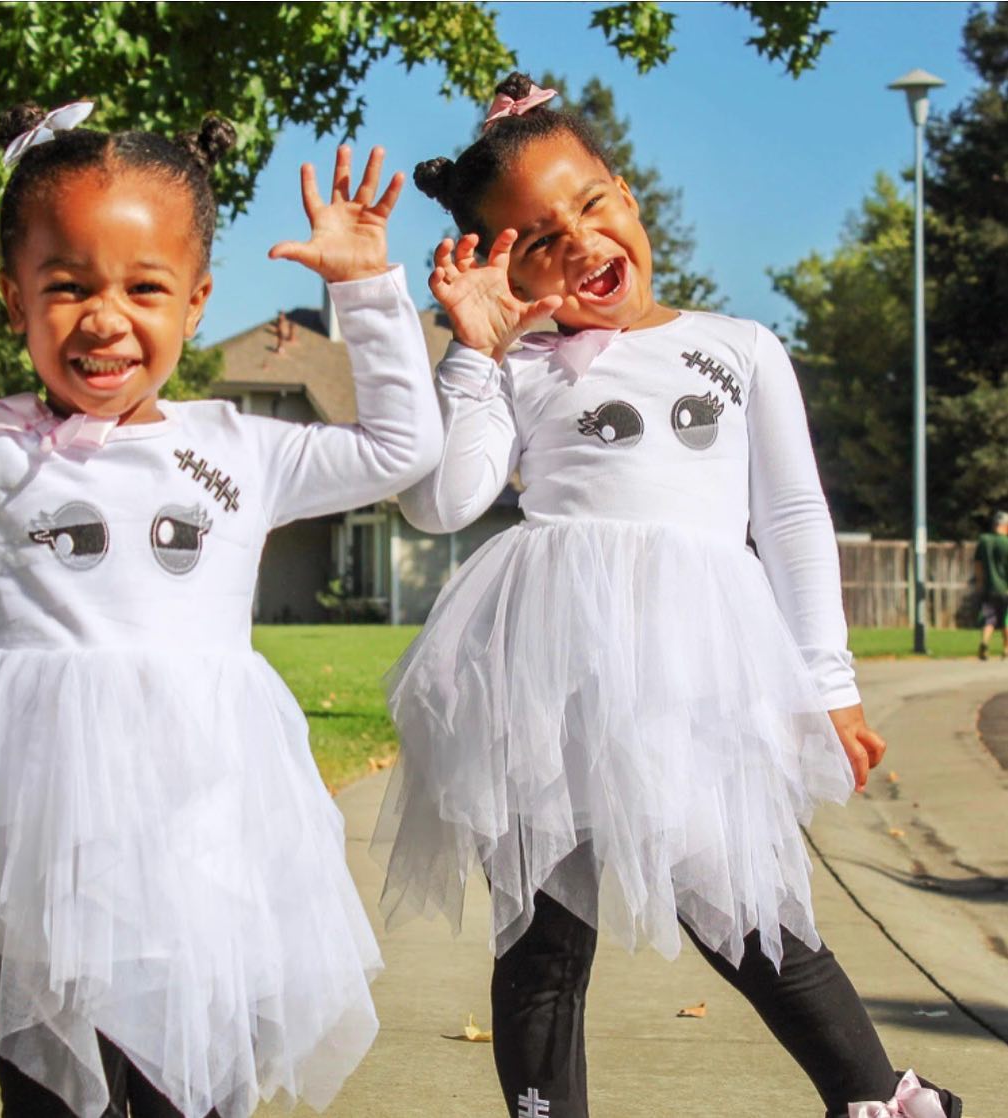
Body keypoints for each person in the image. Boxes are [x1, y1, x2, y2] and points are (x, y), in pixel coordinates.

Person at [0, 101, 441, 1118]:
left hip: (203, 836)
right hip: (27, 840)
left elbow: (401, 450)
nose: (104, 317)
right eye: (66, 285)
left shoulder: (239, 448)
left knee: (193, 1088)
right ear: (13, 299)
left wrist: (364, 289)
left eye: (145, 288)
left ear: (195, 300)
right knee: (48, 1095)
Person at [371, 74, 962, 1118]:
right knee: (543, 935)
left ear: (629, 196)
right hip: (545, 681)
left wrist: (827, 682)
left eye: (589, 207)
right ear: (507, 271)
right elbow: (446, 499)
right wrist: (473, 350)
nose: (578, 244)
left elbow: (788, 520)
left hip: (694, 674)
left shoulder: (739, 348)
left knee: (744, 902)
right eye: (537, 242)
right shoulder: (519, 368)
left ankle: (879, 1098)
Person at [974, 510, 1008, 660]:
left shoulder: (984, 540)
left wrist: (980, 584)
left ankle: (984, 643)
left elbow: (978, 565)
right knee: (1007, 618)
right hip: (1005, 588)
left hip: (988, 587)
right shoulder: (1006, 543)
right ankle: (1006, 648)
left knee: (989, 617)